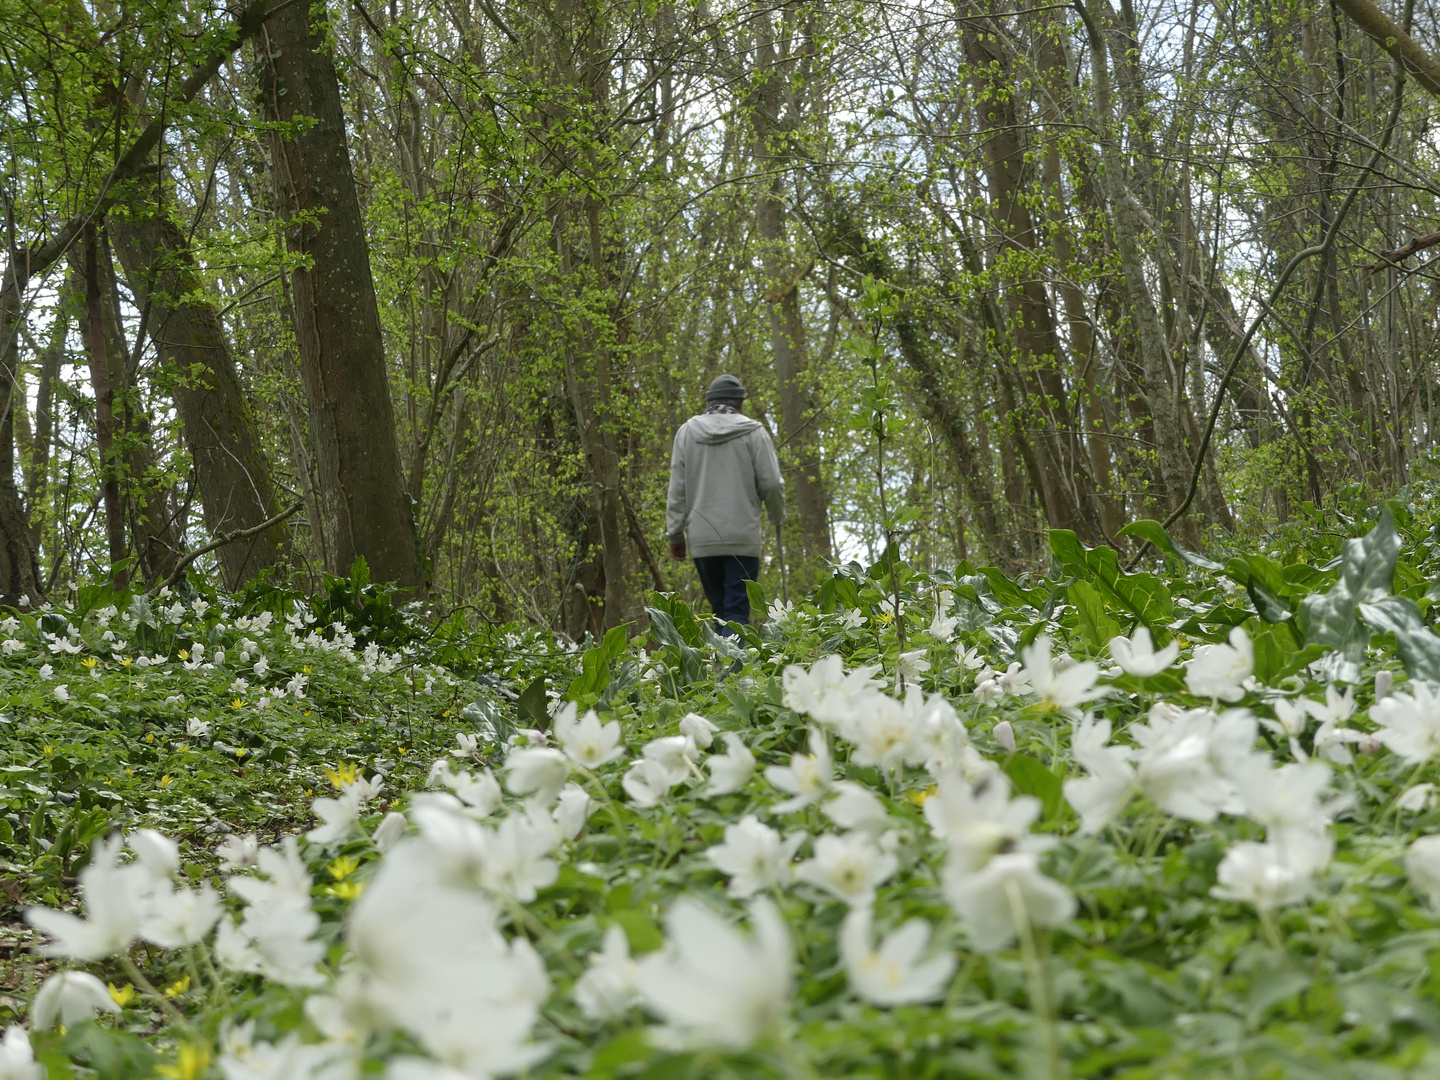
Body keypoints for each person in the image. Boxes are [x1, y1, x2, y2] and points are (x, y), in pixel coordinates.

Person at [665, 374, 785, 634]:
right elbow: (772, 484)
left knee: (719, 611)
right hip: (742, 538)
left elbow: (677, 490)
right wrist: (777, 516)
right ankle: (734, 673)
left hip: (702, 540)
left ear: (709, 402)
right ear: (741, 404)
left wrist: (675, 535)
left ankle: (721, 671)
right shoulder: (754, 433)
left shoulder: (686, 433)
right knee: (737, 611)